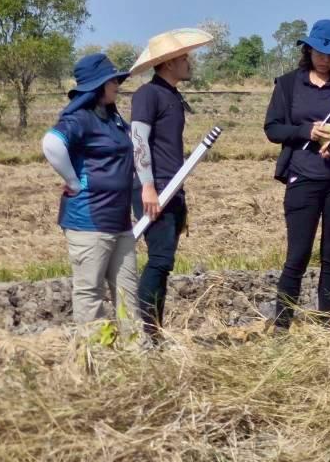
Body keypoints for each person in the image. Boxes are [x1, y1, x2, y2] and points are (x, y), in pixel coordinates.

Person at [264, 19, 330, 329]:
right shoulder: (287, 85)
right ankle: (282, 326)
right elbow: (272, 129)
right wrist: (305, 132)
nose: (324, 59)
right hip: (302, 179)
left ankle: (326, 324)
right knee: (297, 255)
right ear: (308, 50)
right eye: (319, 52)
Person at [41, 53, 139, 334]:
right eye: (112, 81)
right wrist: (72, 180)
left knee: (127, 290)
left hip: (120, 222)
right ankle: (96, 356)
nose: (117, 85)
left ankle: (137, 355)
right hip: (90, 222)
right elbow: (51, 143)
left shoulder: (113, 118)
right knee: (90, 292)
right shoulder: (80, 118)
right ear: (99, 85)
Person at [128, 28, 214, 341]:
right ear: (167, 64)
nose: (189, 63)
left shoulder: (172, 96)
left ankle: (155, 330)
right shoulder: (148, 95)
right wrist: (148, 186)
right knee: (160, 260)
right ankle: (148, 332)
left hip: (173, 187)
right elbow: (138, 140)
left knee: (164, 262)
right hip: (156, 189)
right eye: (184, 58)